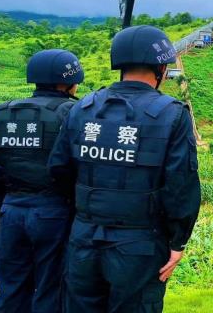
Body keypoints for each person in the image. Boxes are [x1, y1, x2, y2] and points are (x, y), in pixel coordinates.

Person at [48, 25, 201, 313]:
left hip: (83, 237)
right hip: (140, 243)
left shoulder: (82, 108)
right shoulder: (172, 113)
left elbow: (59, 169)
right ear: (161, 69)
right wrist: (178, 242)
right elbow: (180, 185)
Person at [0, 49, 84, 312]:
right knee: (49, 288)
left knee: (10, 289)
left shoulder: (7, 112)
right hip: (53, 212)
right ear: (69, 82)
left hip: (10, 211)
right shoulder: (72, 112)